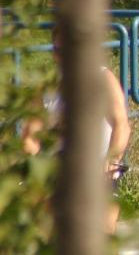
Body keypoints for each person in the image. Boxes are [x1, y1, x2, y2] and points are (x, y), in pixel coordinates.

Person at [21, 25, 131, 234]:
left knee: (104, 229)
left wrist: (112, 158)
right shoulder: (47, 88)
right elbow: (30, 136)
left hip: (99, 165)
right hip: (60, 165)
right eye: (57, 50)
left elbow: (122, 125)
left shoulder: (102, 80)